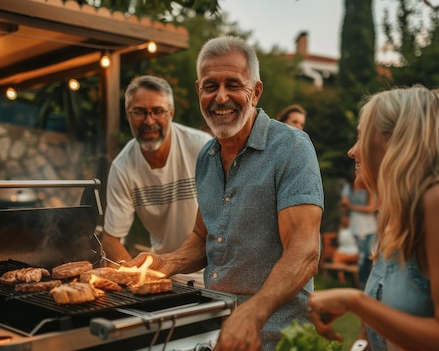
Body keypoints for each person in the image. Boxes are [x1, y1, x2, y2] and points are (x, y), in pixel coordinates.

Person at [124, 36, 324, 351]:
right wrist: (166, 261)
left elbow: (304, 254)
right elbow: (204, 237)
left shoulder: (292, 147)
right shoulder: (206, 157)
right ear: (198, 91)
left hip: (278, 338)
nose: (220, 97)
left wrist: (253, 313)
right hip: (214, 333)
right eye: (210, 86)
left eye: (233, 85)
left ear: (256, 91)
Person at [306, 85, 439, 350]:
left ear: (392, 141)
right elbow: (378, 334)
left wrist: (356, 303)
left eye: (362, 137)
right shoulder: (394, 220)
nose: (352, 151)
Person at [101, 75, 212, 287]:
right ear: (128, 114)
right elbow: (111, 239)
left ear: (171, 113)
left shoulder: (201, 147)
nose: (149, 121)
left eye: (158, 111)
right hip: (163, 277)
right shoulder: (122, 167)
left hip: (214, 273)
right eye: (140, 112)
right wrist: (133, 275)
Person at [341, 169, 377, 286]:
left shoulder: (368, 187)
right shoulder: (348, 187)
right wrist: (348, 206)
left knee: (368, 254)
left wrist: (351, 206)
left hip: (369, 226)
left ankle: (369, 281)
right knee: (361, 256)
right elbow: (344, 204)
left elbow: (370, 209)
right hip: (355, 226)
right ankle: (362, 283)